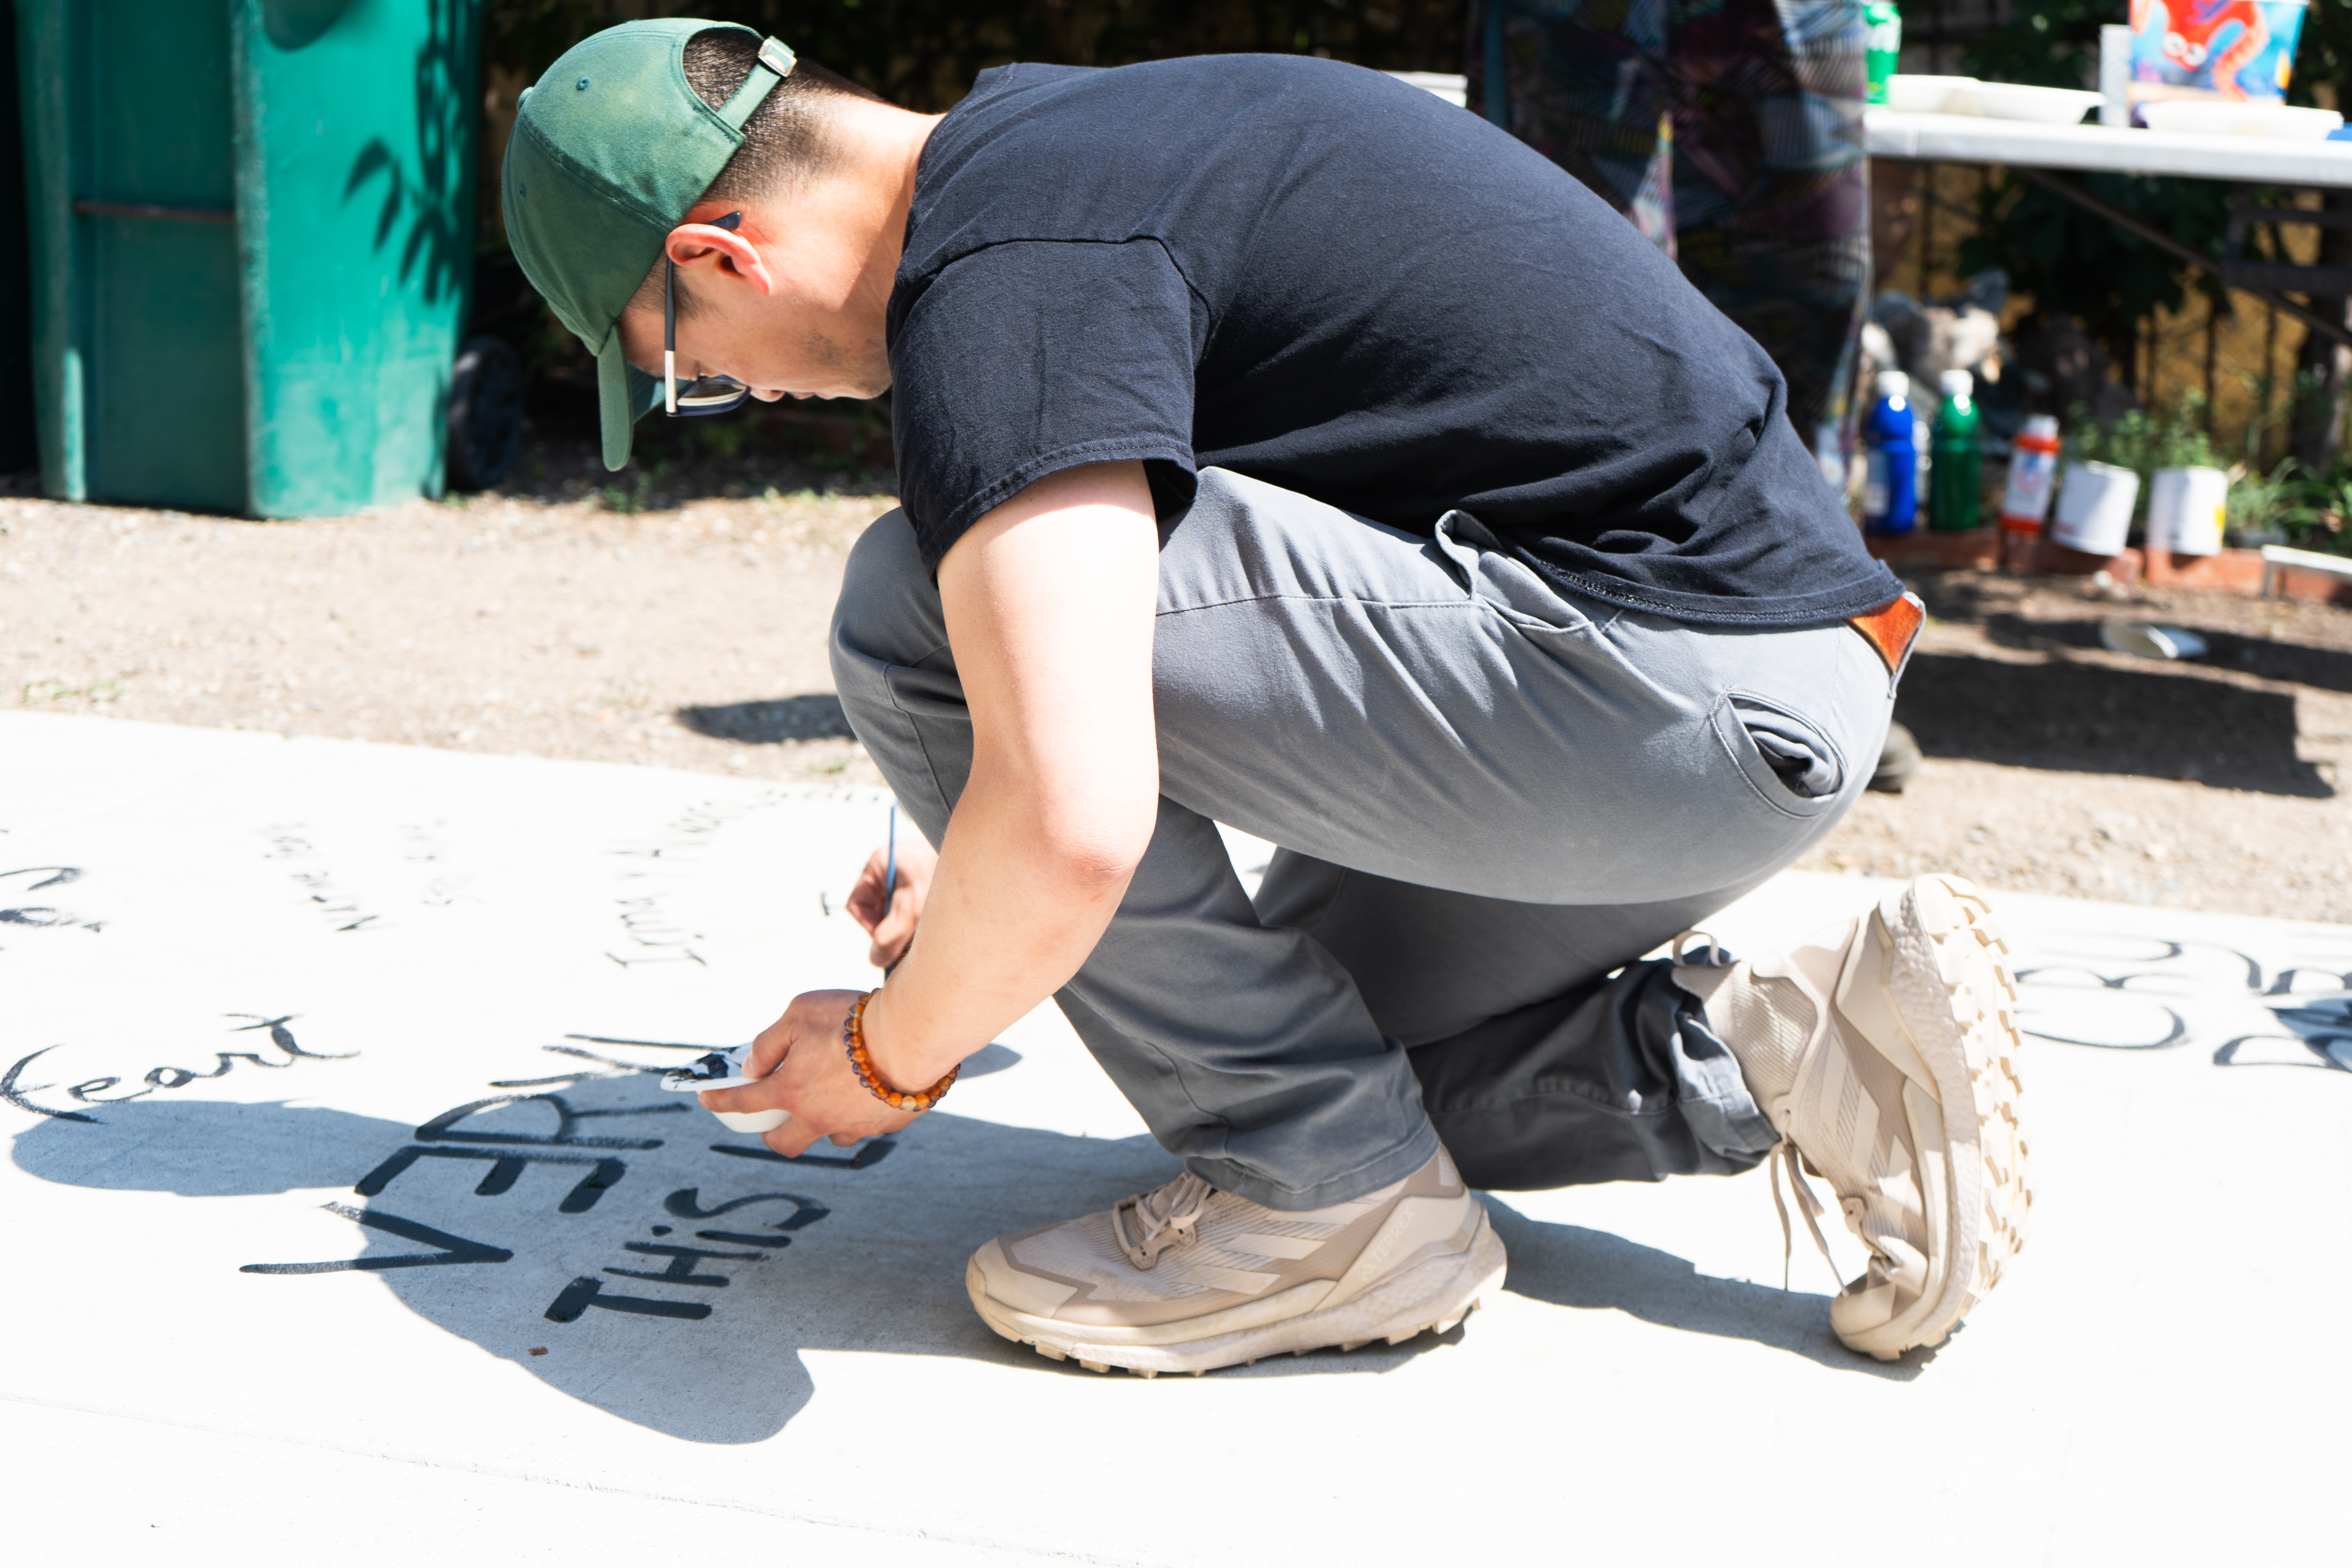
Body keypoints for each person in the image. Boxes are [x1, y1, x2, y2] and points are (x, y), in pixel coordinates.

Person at [501, 19, 2030, 1376]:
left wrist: (895, 1048)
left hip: (1652, 685)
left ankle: (1323, 1205)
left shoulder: (1003, 279)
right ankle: (1795, 1048)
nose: (747, 393)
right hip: (1735, 688)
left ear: (721, 254)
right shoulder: (1066, 155)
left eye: (691, 367)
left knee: (909, 606)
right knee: (1334, 1058)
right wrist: (983, 874)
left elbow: (1076, 824)